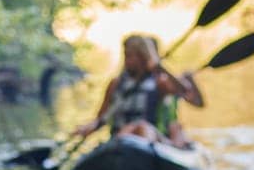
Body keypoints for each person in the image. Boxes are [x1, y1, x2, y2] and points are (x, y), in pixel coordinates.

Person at [72, 34, 203, 145]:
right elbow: (101, 118)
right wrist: (88, 127)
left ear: (143, 57)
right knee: (129, 132)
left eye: (130, 56)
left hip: (150, 140)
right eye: (125, 55)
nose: (126, 60)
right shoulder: (116, 83)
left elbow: (185, 91)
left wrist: (158, 66)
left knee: (141, 127)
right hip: (119, 142)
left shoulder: (159, 82)